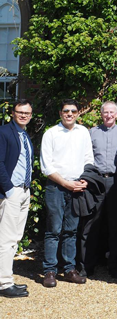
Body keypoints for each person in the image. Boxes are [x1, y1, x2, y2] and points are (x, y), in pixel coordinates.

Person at [40, 99, 93, 288]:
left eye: (73, 111)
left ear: (78, 113)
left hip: (77, 188)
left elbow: (89, 158)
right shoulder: (51, 134)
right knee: (54, 230)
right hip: (56, 187)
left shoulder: (83, 132)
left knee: (71, 230)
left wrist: (85, 179)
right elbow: (46, 166)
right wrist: (66, 183)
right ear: (60, 113)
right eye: (66, 111)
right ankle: (50, 271)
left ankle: (69, 269)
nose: (69, 114)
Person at [78, 101, 117, 278]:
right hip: (96, 182)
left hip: (115, 181)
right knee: (91, 224)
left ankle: (113, 266)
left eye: (112, 112)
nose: (108, 115)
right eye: (105, 112)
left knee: (115, 226)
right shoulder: (92, 133)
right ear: (101, 114)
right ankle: (86, 266)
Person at [0, 100, 33, 298]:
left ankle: (7, 277)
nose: (23, 115)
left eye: (27, 113)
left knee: (15, 238)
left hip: (24, 191)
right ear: (13, 113)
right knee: (6, 239)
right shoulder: (4, 132)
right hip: (11, 192)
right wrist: (9, 190)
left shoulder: (24, 134)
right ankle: (4, 284)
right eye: (20, 112)